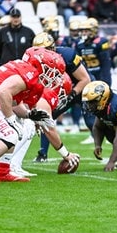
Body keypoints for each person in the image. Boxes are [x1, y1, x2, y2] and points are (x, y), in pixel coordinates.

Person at [0, 47, 79, 186]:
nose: (54, 77)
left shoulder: (31, 78)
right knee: (10, 133)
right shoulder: (29, 72)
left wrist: (29, 115)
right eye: (52, 71)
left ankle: (2, 171)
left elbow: (14, 103)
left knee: (17, 131)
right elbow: (2, 92)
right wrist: (10, 120)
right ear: (40, 66)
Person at [31, 33, 92, 161]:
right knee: (46, 117)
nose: (41, 54)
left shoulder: (67, 55)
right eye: (37, 51)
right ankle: (43, 153)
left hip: (81, 88)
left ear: (52, 48)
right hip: (61, 91)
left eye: (44, 50)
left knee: (93, 122)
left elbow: (85, 79)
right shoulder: (35, 60)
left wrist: (72, 95)